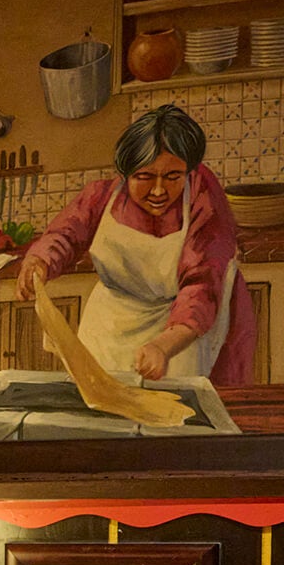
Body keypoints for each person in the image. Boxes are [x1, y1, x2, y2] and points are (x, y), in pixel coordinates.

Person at [15, 104, 255, 385]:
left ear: (188, 172)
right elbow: (64, 234)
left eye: (173, 177)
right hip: (107, 328)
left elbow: (201, 285)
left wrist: (163, 346)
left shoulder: (202, 201)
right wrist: (39, 262)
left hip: (177, 331)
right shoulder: (102, 196)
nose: (158, 190)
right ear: (126, 171)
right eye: (144, 176)